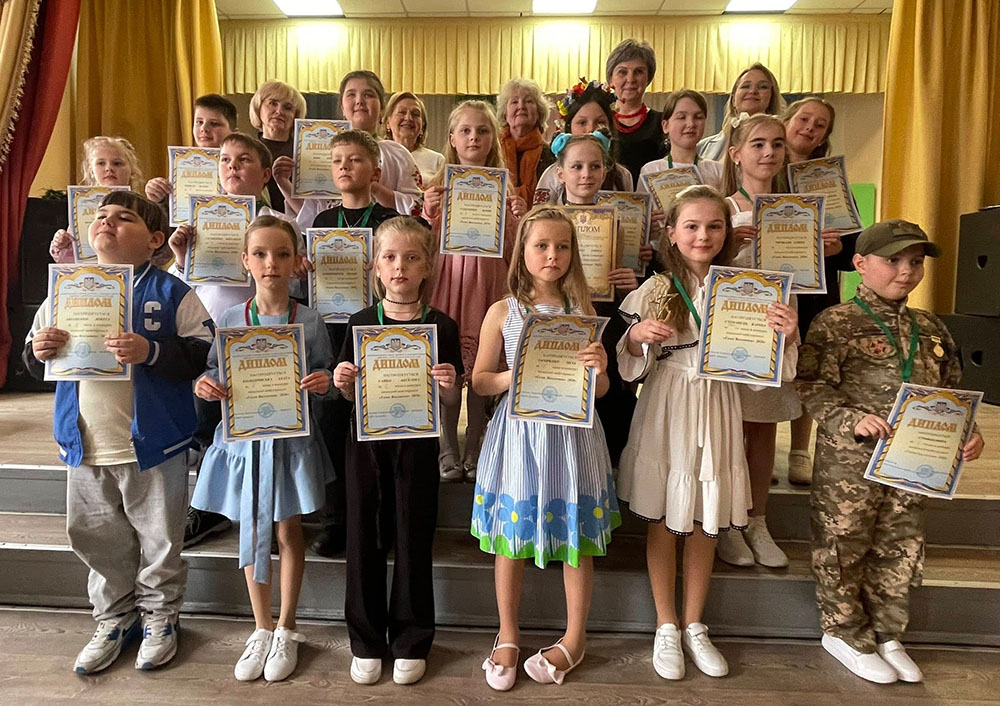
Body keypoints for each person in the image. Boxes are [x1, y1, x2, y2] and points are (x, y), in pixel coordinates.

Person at [24, 191, 213, 674]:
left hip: (153, 443)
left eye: (124, 217)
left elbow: (203, 352)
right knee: (95, 536)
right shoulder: (67, 288)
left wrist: (152, 352)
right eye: (101, 216)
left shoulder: (172, 292)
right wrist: (39, 349)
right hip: (86, 441)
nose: (108, 222)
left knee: (161, 538)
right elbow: (31, 353)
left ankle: (161, 615)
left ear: (154, 240)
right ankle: (114, 617)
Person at [616, 185, 797, 680]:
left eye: (714, 226)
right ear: (672, 234)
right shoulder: (655, 289)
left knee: (704, 517)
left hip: (718, 405)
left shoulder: (749, 290)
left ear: (727, 233)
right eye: (691, 226)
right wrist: (635, 337)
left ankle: (695, 623)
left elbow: (769, 372)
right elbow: (629, 365)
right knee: (664, 515)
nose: (703, 235)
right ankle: (666, 624)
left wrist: (786, 336)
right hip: (667, 404)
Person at [796, 220, 984, 684]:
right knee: (845, 542)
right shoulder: (836, 322)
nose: (906, 271)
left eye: (915, 262)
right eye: (893, 260)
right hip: (850, 462)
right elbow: (812, 385)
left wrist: (967, 431)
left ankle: (887, 632)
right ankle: (843, 631)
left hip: (913, 462)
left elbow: (951, 390)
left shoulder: (931, 327)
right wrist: (850, 420)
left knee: (900, 543)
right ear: (860, 264)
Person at [472, 206, 620, 690]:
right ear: (523, 251)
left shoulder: (584, 312)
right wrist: (513, 376)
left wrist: (600, 369)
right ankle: (508, 633)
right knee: (511, 537)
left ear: (573, 253)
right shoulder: (503, 311)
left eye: (562, 246)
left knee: (576, 535)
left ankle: (575, 636)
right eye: (541, 245)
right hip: (519, 435)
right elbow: (479, 381)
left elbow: (600, 392)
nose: (552, 255)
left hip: (572, 437)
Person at [191, 215, 334, 683]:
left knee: (288, 530)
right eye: (260, 254)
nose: (271, 263)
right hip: (244, 441)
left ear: (296, 262)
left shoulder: (310, 319)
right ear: (245, 261)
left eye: (281, 254)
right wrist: (205, 384)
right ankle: (261, 627)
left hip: (290, 442)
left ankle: (287, 627)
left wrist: (324, 382)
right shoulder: (230, 319)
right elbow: (213, 370)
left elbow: (328, 375)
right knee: (251, 528)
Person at [335, 217, 463, 687]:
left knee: (413, 535)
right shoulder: (359, 323)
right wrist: (342, 382)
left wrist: (448, 385)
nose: (399, 267)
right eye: (389, 257)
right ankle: (365, 639)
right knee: (363, 537)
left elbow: (452, 399)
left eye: (411, 257)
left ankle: (412, 638)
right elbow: (347, 395)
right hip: (366, 447)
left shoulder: (441, 325)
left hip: (418, 447)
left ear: (427, 266)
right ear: (376, 265)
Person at [168, 131, 306, 549]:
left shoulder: (282, 224)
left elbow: (294, 285)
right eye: (225, 160)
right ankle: (211, 508)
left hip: (261, 339)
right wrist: (182, 258)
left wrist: (300, 271)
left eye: (244, 160)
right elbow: (182, 284)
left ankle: (268, 510)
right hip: (209, 331)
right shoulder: (197, 221)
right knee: (208, 424)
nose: (232, 167)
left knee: (259, 427)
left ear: (264, 174)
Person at [307, 129, 411, 558]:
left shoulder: (392, 221)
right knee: (334, 426)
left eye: (355, 159)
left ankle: (384, 520)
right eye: (337, 161)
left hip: (383, 331)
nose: (345, 167)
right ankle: (337, 521)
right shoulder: (321, 223)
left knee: (382, 431)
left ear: (376, 170)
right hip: (335, 335)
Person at [421, 100, 527, 482]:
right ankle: (447, 444)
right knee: (448, 369)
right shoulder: (437, 187)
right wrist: (427, 212)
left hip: (489, 285)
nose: (473, 138)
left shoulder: (504, 187)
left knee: (484, 366)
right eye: (465, 130)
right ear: (451, 138)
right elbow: (423, 245)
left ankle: (476, 444)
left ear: (492, 138)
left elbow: (514, 249)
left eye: (482, 131)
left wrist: (518, 217)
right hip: (449, 282)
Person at [717, 113, 801, 569]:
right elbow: (696, 265)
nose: (769, 152)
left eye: (777, 144)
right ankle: (728, 521)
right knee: (728, 427)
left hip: (776, 323)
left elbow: (806, 276)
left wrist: (820, 252)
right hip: (731, 329)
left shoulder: (798, 210)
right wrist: (728, 245)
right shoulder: (722, 206)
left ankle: (757, 520)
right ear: (735, 154)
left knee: (765, 426)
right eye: (758, 144)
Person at [550, 132, 642, 464]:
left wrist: (629, 283)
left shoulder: (615, 221)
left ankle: (605, 460)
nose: (586, 174)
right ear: (561, 173)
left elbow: (619, 277)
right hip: (560, 316)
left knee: (605, 387)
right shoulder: (547, 219)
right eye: (577, 166)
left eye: (594, 166)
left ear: (605, 171)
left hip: (604, 315)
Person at [781, 96, 852, 485]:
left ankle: (798, 450)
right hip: (770, 286)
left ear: (825, 137)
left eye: (819, 124)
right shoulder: (765, 171)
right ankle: (751, 448)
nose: (809, 128)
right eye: (803, 119)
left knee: (807, 366)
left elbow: (854, 250)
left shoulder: (831, 182)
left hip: (814, 290)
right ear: (786, 121)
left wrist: (837, 248)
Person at [278, 71, 424, 227]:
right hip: (333, 236)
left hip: (385, 235)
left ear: (382, 107)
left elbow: (417, 208)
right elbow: (310, 215)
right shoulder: (322, 151)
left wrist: (374, 188)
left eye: (368, 95)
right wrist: (283, 182)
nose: (359, 101)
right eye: (351, 95)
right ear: (342, 107)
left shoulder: (398, 154)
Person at [533, 79, 633, 204]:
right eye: (582, 122)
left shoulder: (622, 176)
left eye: (600, 122)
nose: (590, 129)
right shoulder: (553, 174)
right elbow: (541, 212)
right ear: (568, 127)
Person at [49, 136, 145, 263]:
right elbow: (70, 262)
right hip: (93, 273)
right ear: (91, 171)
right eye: (101, 163)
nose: (109, 168)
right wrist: (62, 245)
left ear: (131, 171)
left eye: (117, 163)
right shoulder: (81, 208)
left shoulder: (143, 208)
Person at [144, 94, 238, 203]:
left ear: (234, 133)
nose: (204, 128)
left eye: (214, 124)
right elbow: (167, 210)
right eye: (199, 122)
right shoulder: (182, 165)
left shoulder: (241, 166)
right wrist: (156, 195)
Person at [605, 39, 667, 183]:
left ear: (648, 78)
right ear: (610, 79)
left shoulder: (663, 123)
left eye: (638, 72)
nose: (630, 79)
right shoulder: (600, 121)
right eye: (622, 72)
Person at [697, 62, 785, 161]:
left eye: (762, 87)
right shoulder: (702, 147)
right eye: (746, 86)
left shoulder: (784, 143)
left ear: (771, 98)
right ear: (733, 100)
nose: (753, 91)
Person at [248, 80, 307, 212]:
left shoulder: (305, 153)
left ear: (295, 116)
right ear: (258, 108)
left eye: (288, 107)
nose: (279, 111)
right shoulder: (246, 150)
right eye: (273, 103)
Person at [497, 77, 554, 204]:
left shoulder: (550, 154)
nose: (521, 106)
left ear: (539, 113)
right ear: (505, 114)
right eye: (514, 102)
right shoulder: (493, 151)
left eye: (528, 101)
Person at [382, 91, 445, 186]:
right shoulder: (379, 155)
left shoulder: (437, 160)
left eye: (415, 114)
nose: (408, 118)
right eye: (402, 112)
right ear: (388, 122)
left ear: (422, 126)